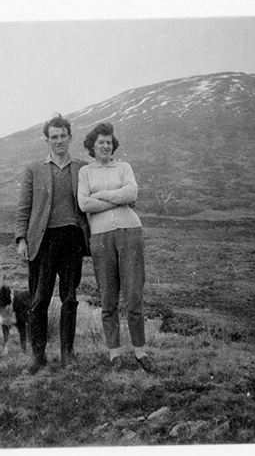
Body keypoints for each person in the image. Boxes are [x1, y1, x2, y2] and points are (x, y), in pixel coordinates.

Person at [15, 114, 90, 374]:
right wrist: (21, 238)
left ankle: (67, 354)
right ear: (47, 140)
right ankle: (38, 356)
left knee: (69, 298)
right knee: (39, 300)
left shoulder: (82, 168)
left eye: (63, 136)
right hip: (42, 241)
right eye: (54, 137)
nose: (59, 141)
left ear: (70, 137)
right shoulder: (34, 169)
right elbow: (24, 207)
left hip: (72, 240)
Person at [77, 122, 152, 372]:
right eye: (101, 142)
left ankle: (140, 352)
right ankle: (114, 353)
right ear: (92, 145)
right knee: (108, 297)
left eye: (109, 142)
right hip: (101, 237)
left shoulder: (124, 167)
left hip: (130, 233)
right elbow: (84, 204)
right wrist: (117, 198)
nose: (105, 146)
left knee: (133, 296)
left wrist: (101, 196)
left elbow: (132, 194)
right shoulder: (85, 172)